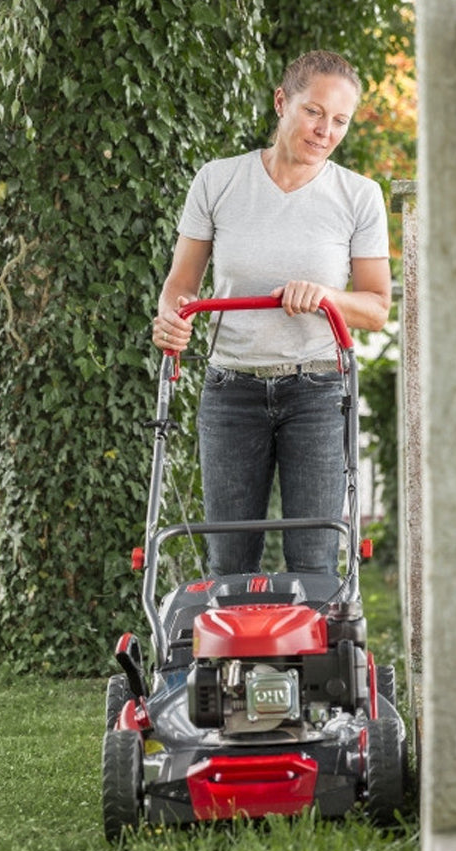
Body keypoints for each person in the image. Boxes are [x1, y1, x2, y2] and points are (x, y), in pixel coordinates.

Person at [151, 50, 391, 577]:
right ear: (282, 102)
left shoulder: (359, 196)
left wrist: (326, 296)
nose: (325, 131)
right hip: (231, 390)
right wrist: (171, 318)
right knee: (230, 562)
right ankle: (234, 637)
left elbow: (376, 308)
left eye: (340, 120)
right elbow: (180, 287)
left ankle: (312, 636)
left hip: (318, 393)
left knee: (315, 562)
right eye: (314, 112)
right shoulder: (218, 181)